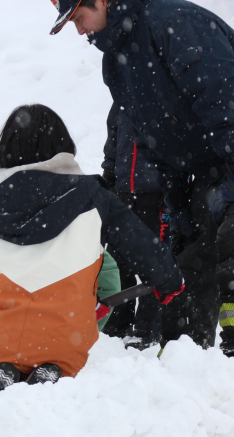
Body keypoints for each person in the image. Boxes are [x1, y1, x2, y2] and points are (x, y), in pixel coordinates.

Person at [51, 0, 234, 365]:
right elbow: (153, 140)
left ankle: (233, 361)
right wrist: (179, 206)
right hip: (206, 173)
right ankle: (184, 368)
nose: (79, 30)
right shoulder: (116, 61)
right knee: (185, 272)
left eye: (78, 17)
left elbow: (226, 103)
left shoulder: (175, 24)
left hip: (230, 163)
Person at [0, 104, 182, 401]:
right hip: (64, 330)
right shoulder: (95, 198)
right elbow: (144, 247)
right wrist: (169, 282)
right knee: (61, 369)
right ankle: (51, 374)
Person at [100, 102, 166, 345]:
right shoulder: (123, 98)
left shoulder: (165, 93)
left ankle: (148, 329)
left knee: (154, 262)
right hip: (123, 192)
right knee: (118, 261)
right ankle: (116, 323)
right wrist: (109, 174)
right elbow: (113, 139)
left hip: (157, 194)